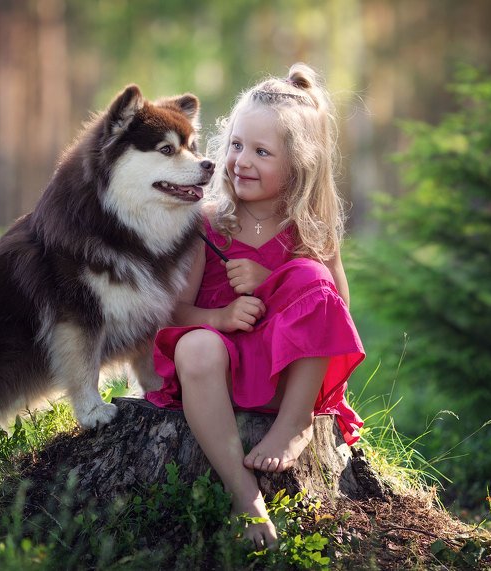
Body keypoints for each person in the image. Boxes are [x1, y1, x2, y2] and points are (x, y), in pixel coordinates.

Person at [145, 63, 365, 549]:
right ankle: (245, 497)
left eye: (262, 152)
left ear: (298, 165)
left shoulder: (309, 230)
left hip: (284, 382)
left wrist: (274, 283)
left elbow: (335, 311)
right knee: (197, 347)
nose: (242, 160)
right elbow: (173, 313)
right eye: (237, 145)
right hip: (217, 378)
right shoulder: (206, 223)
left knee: (312, 276)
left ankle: (294, 425)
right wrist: (221, 318)